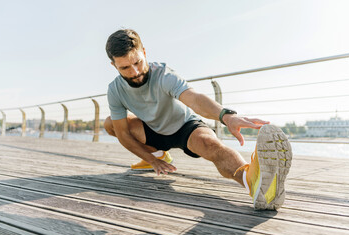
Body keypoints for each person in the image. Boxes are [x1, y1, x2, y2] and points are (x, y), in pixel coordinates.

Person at [104, 29, 292, 210]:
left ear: (144, 52)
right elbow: (123, 134)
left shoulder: (163, 74)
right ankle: (158, 154)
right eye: (125, 67)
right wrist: (151, 160)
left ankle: (254, 182)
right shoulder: (115, 90)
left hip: (184, 127)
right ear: (113, 65)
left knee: (209, 144)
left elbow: (194, 99)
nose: (135, 72)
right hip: (152, 131)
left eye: (138, 62)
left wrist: (227, 116)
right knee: (110, 123)